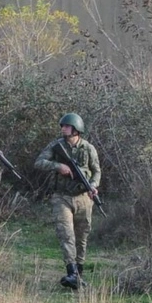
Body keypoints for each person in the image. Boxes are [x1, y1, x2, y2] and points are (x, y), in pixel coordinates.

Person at [34, 113, 101, 289]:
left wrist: (93, 185)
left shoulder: (88, 149)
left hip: (83, 198)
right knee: (66, 234)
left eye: (66, 126)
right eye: (62, 126)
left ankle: (78, 273)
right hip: (61, 197)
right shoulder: (56, 146)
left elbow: (96, 171)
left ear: (76, 129)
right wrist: (58, 166)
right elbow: (39, 162)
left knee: (82, 236)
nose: (63, 128)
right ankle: (71, 271)